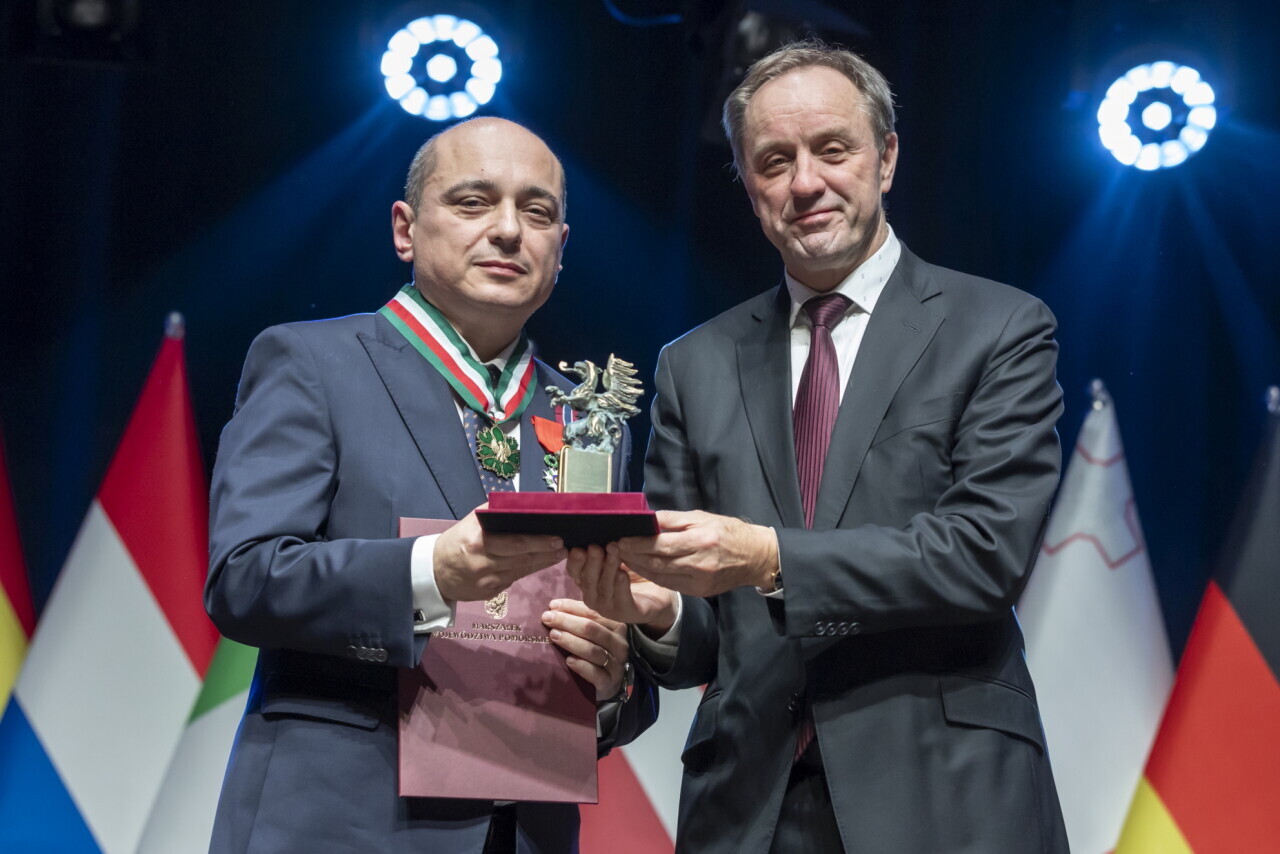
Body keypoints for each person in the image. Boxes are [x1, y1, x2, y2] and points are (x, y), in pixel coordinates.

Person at [569, 41, 1070, 853]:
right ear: (748, 185)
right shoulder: (693, 365)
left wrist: (768, 557)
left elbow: (986, 555)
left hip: (945, 796)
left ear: (887, 158)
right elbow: (700, 633)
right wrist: (659, 614)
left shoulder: (999, 328)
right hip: (750, 807)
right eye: (775, 161)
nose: (805, 183)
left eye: (832, 149)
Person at [205, 117, 655, 854]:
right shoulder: (311, 363)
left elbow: (616, 652)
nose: (507, 230)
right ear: (405, 229)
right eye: (473, 202)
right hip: (343, 828)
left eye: (537, 211)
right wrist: (429, 573)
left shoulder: (588, 420)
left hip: (527, 831)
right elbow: (243, 578)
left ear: (561, 248)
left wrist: (612, 684)